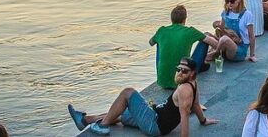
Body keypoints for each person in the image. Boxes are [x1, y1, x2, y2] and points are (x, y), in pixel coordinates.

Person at [68, 58, 215, 136]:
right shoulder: (193, 83)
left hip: (154, 124)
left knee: (128, 92)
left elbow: (184, 116)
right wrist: (203, 120)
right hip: (155, 116)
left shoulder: (184, 90)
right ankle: (84, 120)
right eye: (178, 69)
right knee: (123, 113)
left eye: (184, 71)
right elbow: (196, 104)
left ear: (192, 73)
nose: (179, 72)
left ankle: (103, 126)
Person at [150, 6, 206, 89]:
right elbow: (211, 42)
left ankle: (165, 74)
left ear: (171, 18)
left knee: (158, 42)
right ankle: (197, 67)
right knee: (204, 41)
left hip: (163, 83)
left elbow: (151, 42)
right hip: (183, 79)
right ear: (185, 19)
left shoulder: (162, 30)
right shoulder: (190, 31)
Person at [205, 0, 257, 64]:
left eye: (232, 1)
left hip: (239, 49)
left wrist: (252, 55)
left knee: (225, 39)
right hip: (224, 46)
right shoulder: (225, 12)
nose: (229, 4)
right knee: (206, 35)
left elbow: (251, 36)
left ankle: (215, 53)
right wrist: (217, 26)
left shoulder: (247, 15)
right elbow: (221, 31)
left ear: (239, 0)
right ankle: (211, 53)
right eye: (227, 1)